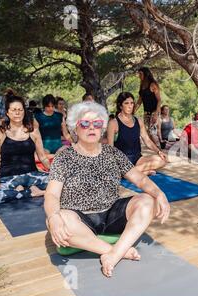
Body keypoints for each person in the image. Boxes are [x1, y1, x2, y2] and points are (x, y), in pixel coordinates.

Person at [44, 101, 170, 277]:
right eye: (85, 124)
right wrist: (54, 217)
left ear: (102, 127)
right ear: (75, 128)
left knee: (147, 201)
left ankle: (112, 255)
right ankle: (118, 252)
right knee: (58, 220)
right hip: (79, 218)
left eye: (97, 123)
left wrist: (160, 194)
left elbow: (140, 179)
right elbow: (51, 194)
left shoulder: (112, 153)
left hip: (111, 212)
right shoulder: (64, 156)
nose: (91, 128)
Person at [0, 93, 50, 204]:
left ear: (24, 111)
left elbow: (43, 157)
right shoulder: (0, 132)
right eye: (14, 110)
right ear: (7, 112)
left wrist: (54, 173)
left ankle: (21, 192)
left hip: (31, 176)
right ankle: (30, 192)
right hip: (8, 178)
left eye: (20, 110)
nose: (17, 113)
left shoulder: (33, 131)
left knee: (60, 184)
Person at [107, 92, 167, 175]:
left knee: (162, 161)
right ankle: (134, 172)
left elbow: (147, 140)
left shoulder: (138, 121)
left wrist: (158, 151)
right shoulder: (113, 123)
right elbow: (110, 148)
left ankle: (128, 173)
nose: (130, 106)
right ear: (120, 106)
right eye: (126, 103)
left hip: (137, 159)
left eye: (132, 103)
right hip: (122, 161)